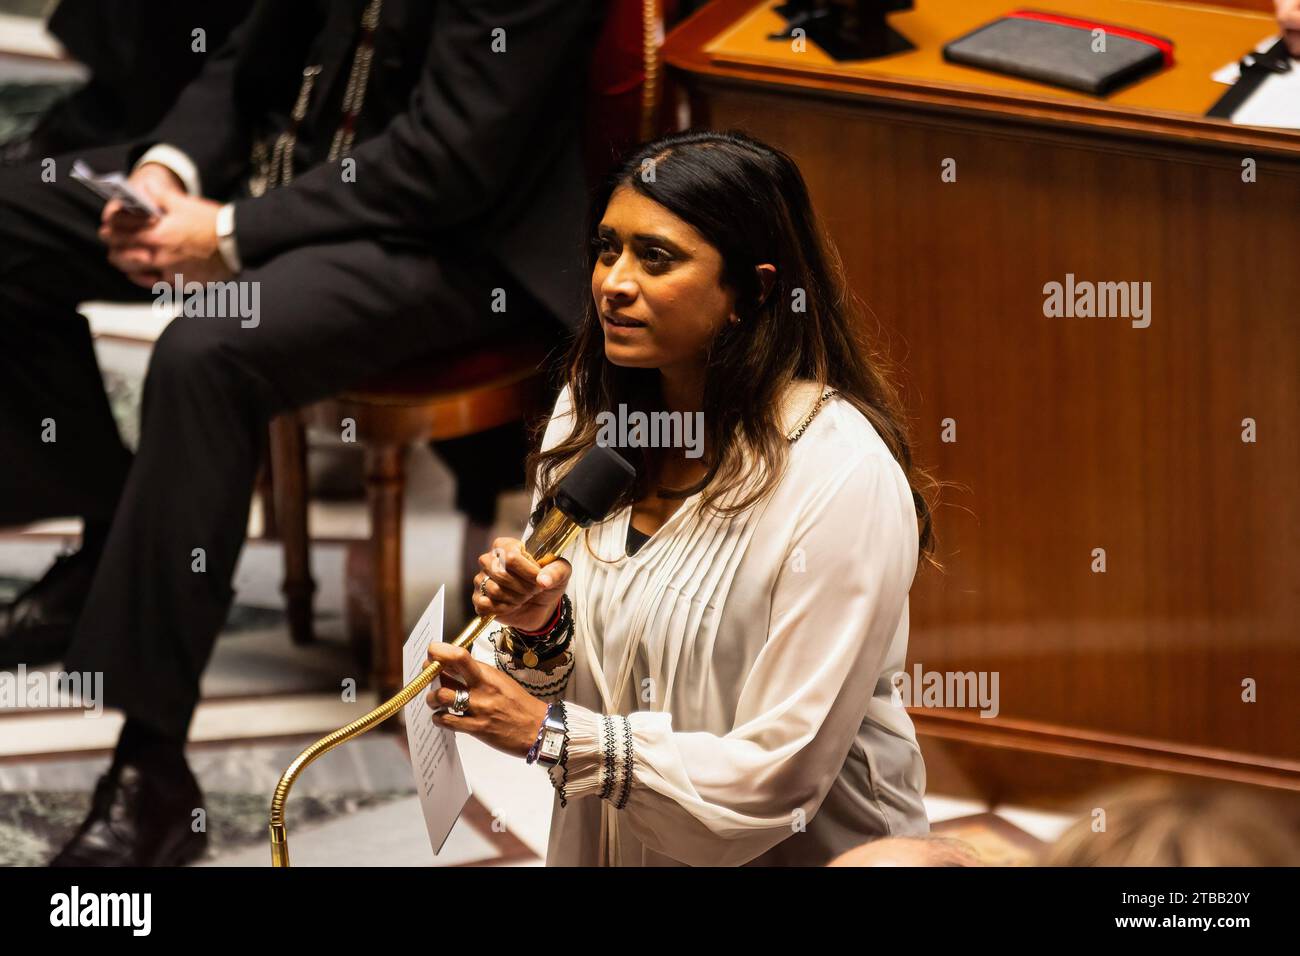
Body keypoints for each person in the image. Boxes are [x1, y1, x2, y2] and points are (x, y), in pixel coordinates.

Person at [0, 0, 605, 866]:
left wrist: (230, 235)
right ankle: (123, 529)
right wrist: (171, 172)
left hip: (454, 240)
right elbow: (240, 52)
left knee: (203, 353)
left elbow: (453, 157)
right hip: (287, 177)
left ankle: (151, 770)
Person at [423, 128, 938, 866]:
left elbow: (778, 779)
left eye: (655, 257)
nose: (614, 282)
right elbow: (585, 676)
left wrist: (553, 734)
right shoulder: (588, 414)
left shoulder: (838, 475)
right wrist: (541, 627)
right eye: (608, 249)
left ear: (754, 289)